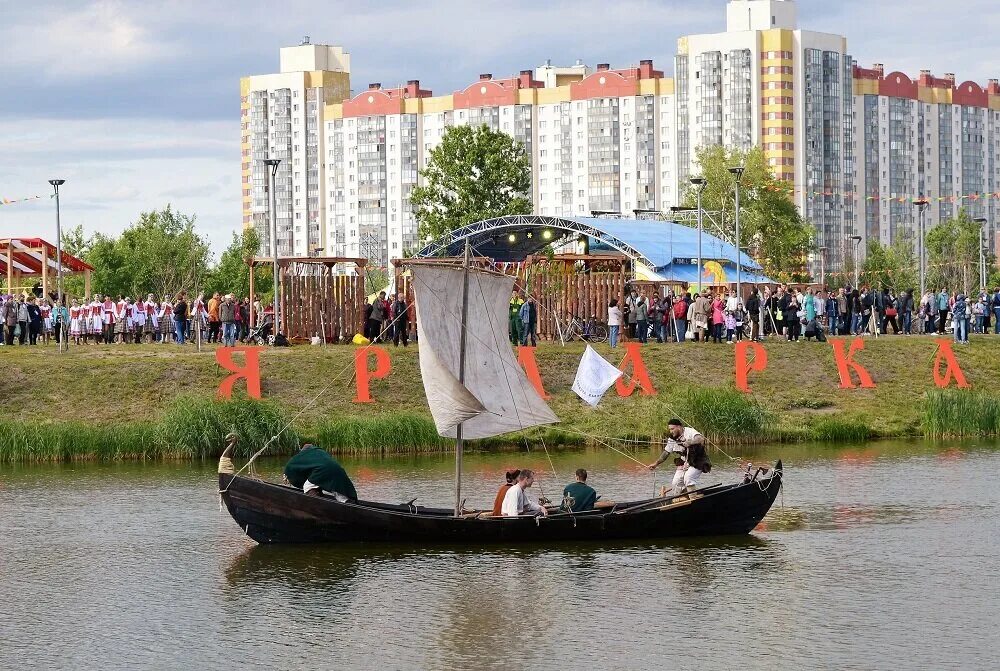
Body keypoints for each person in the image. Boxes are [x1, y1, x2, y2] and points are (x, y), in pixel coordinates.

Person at [647, 419, 711, 494]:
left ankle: (693, 498)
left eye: (672, 429)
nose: (671, 431)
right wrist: (656, 464)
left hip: (698, 461)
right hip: (684, 462)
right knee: (676, 483)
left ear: (679, 427)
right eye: (670, 429)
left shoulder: (689, 431)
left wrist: (690, 442)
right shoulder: (672, 438)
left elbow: (700, 439)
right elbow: (666, 452)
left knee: (688, 478)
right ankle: (683, 497)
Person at [283, 443, 358, 500]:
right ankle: (349, 505)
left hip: (322, 471)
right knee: (339, 492)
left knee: (308, 486)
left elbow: (289, 466)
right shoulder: (319, 452)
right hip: (338, 470)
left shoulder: (302, 456)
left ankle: (317, 505)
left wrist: (286, 474)